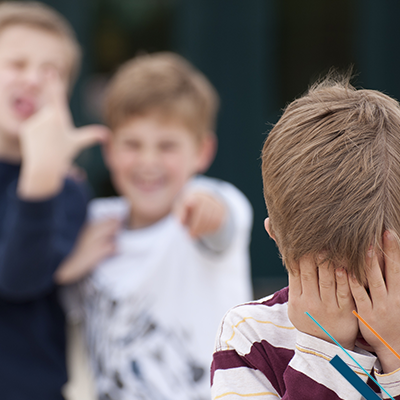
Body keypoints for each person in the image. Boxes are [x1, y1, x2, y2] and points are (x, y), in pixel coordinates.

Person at [57, 52, 253, 400]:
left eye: (167, 146)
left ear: (202, 151)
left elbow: (224, 221)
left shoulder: (206, 200)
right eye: (133, 144)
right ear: (109, 150)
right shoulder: (94, 223)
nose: (148, 162)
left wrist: (207, 210)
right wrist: (67, 264)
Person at [211, 75, 400, 399]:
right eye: (331, 275)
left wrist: (394, 353)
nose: (355, 300)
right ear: (277, 238)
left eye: (376, 274)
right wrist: (326, 350)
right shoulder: (250, 336)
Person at [0, 2, 109, 399]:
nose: (33, 79)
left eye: (51, 72)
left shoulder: (68, 189)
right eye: (17, 63)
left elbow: (21, 275)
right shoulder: (52, 180)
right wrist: (61, 270)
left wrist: (44, 171)